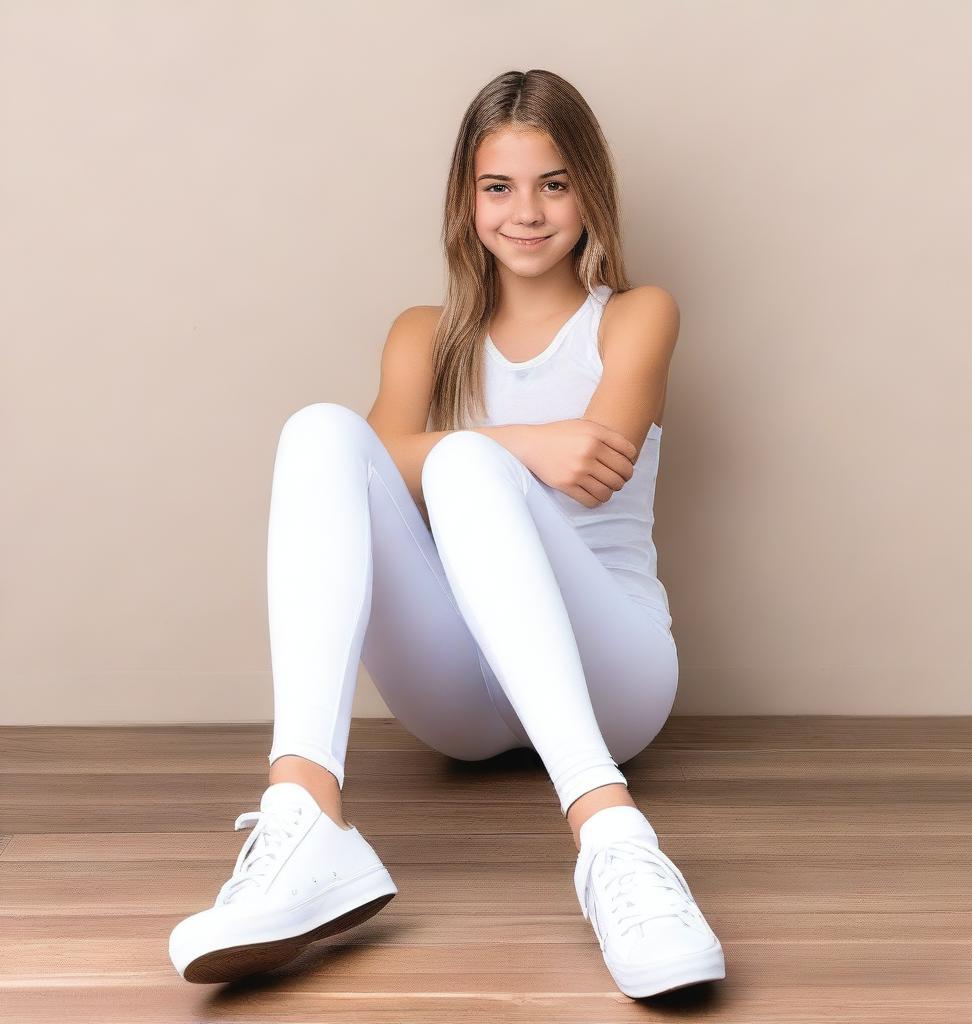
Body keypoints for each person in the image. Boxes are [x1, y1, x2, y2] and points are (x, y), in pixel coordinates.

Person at [169, 68, 725, 999]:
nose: (528, 213)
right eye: (498, 187)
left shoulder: (635, 316)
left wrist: (468, 453)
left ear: (591, 190)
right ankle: (304, 816)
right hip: (461, 700)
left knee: (459, 465)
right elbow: (370, 467)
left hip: (613, 678)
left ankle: (613, 839)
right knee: (319, 431)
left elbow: (601, 460)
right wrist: (526, 442)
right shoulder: (423, 335)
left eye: (554, 183)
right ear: (466, 203)